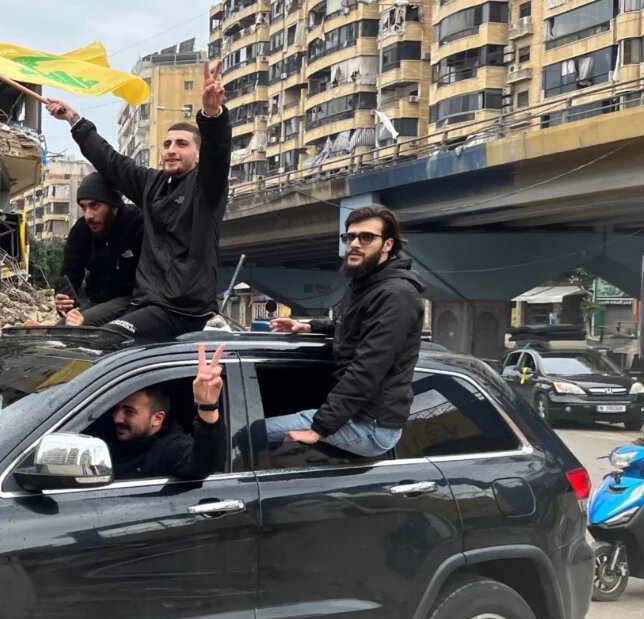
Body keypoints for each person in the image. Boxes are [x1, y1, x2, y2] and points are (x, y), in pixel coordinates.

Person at [46, 60, 232, 343]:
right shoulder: (152, 184)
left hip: (183, 309)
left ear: (198, 153)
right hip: (146, 304)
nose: (171, 150)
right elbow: (110, 161)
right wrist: (74, 119)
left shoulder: (206, 188)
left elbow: (218, 154)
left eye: (182, 144)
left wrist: (211, 114)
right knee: (74, 337)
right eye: (167, 144)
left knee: (105, 341)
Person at [267, 205, 425, 457]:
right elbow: (352, 323)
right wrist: (309, 325)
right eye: (350, 237)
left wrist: (319, 428)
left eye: (366, 237)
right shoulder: (366, 284)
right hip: (357, 413)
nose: (354, 244)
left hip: (371, 425)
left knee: (249, 432)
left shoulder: (396, 295)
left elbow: (368, 369)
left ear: (387, 245)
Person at [105, 343, 226, 480]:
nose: (117, 418)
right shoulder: (113, 437)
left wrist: (207, 406)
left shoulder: (171, 448)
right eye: (116, 408)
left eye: (129, 411)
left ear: (157, 419)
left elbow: (204, 463)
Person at [53, 173, 144, 324]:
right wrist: (64, 301)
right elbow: (69, 275)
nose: (88, 215)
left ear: (113, 205)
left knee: (79, 325)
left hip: (134, 301)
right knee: (59, 329)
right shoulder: (81, 230)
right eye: (84, 207)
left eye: (95, 206)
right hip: (96, 301)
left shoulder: (137, 223)